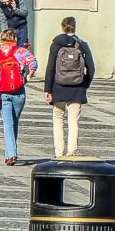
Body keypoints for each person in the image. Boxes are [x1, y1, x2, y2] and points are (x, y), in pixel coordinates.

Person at [0, 28, 38, 166]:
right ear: (14, 39)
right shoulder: (21, 51)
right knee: (14, 122)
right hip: (19, 92)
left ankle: (12, 154)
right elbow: (33, 63)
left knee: (8, 124)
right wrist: (28, 76)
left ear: (1, 39)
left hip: (3, 93)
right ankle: (10, 154)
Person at [44, 16, 95, 158]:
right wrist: (85, 84)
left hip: (58, 87)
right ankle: (71, 151)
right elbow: (91, 68)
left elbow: (50, 68)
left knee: (58, 119)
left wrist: (47, 89)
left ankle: (58, 152)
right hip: (77, 88)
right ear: (75, 28)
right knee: (73, 121)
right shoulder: (82, 45)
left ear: (62, 27)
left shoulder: (56, 45)